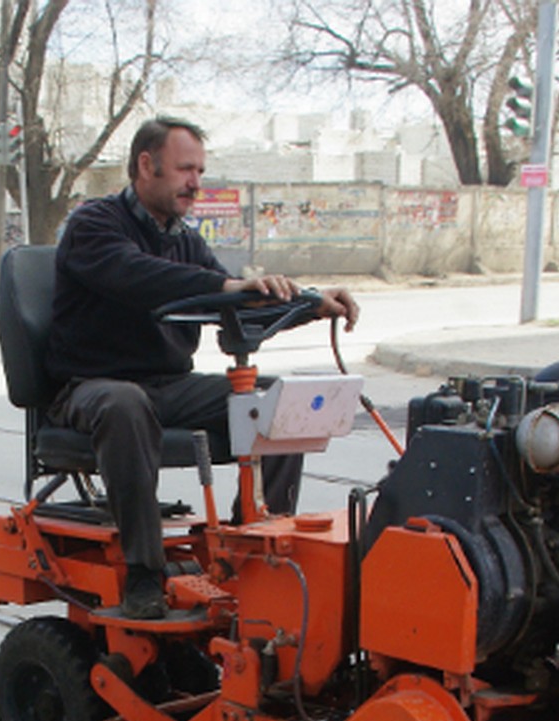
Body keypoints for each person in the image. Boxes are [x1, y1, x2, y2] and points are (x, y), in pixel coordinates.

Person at [46, 116, 360, 619]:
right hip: (92, 387)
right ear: (146, 165)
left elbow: (227, 293)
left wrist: (311, 301)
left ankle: (252, 549)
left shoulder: (184, 239)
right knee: (125, 405)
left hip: (168, 386)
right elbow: (141, 276)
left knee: (275, 400)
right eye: (185, 169)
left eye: (200, 170)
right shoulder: (94, 225)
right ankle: (144, 577)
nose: (196, 182)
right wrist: (225, 286)